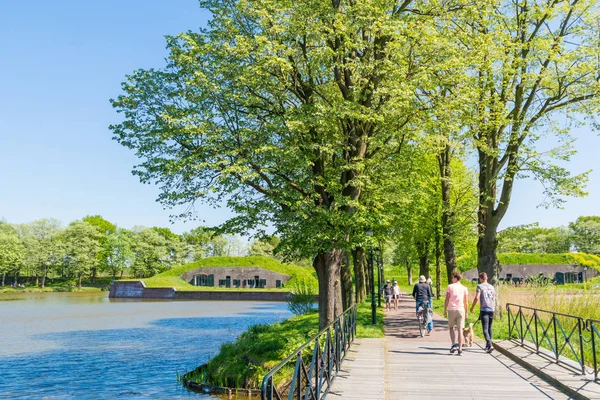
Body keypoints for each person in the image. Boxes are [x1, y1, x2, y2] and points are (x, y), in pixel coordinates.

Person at [444, 270, 469, 356]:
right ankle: (460, 349)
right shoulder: (464, 288)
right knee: (460, 330)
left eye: (452, 277)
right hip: (461, 310)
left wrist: (444, 309)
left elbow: (447, 299)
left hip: (451, 309)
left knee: (451, 328)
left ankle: (454, 344)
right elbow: (466, 302)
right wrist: (466, 312)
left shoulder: (450, 287)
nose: (451, 279)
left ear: (455, 278)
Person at [470, 271, 496, 353]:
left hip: (484, 309)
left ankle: (490, 344)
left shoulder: (479, 286)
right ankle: (488, 346)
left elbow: (477, 297)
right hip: (491, 309)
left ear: (480, 278)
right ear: (487, 277)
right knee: (489, 327)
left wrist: (472, 307)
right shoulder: (492, 287)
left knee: (485, 328)